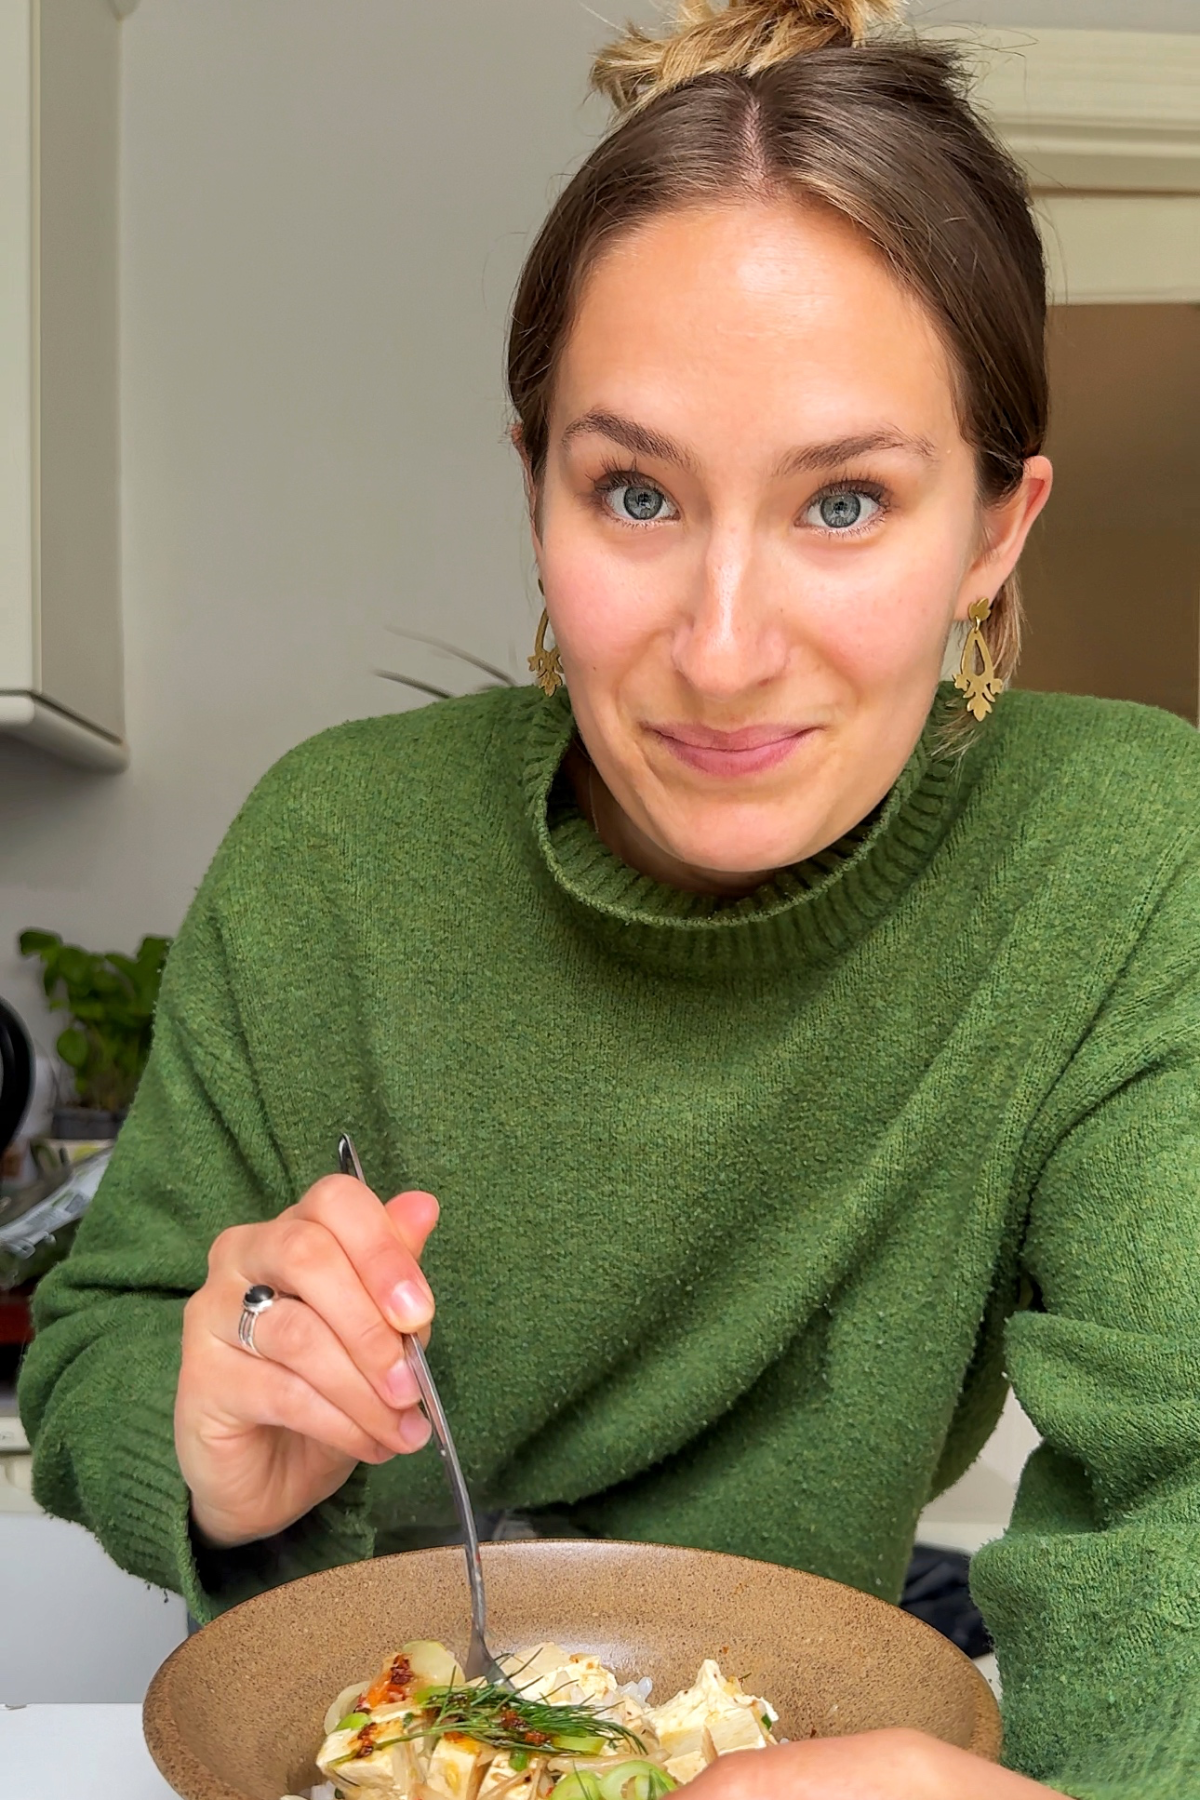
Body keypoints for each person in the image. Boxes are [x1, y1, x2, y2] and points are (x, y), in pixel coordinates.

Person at [18, 1, 1200, 1794]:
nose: (722, 653)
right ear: (536, 489)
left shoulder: (1123, 861)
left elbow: (1180, 1491)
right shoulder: (335, 848)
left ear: (994, 532)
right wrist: (199, 1416)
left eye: (850, 502)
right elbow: (99, 1339)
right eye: (635, 492)